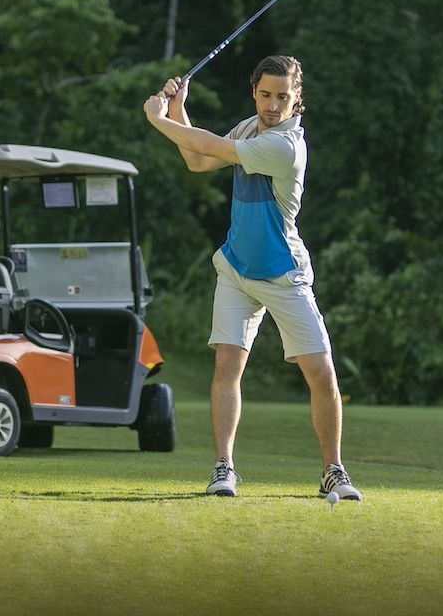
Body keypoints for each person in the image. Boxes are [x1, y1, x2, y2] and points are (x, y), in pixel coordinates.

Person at [142, 55, 362, 501]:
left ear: (297, 99)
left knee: (322, 374)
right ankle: (224, 467)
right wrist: (180, 110)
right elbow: (198, 160)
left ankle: (333, 471)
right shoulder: (248, 128)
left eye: (283, 97)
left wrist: (158, 119)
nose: (273, 105)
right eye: (266, 95)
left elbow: (211, 148)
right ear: (254, 93)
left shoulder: (285, 146)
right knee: (228, 365)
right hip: (237, 271)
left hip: (284, 275)